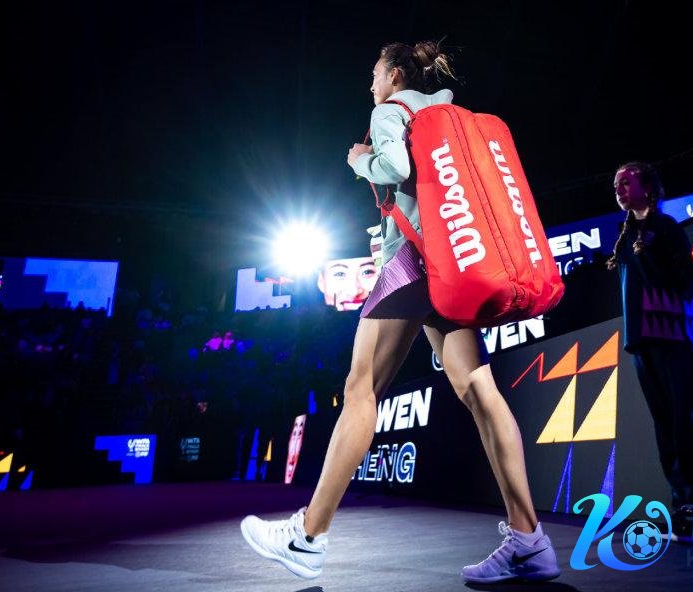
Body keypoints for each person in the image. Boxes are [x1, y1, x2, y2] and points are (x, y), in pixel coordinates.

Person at [240, 41, 561, 583]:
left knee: (361, 387)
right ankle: (530, 540)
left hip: (411, 262)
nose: (370, 84)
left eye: (374, 74)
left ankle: (307, 537)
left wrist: (358, 160)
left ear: (393, 75)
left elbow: (394, 165)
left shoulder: (389, 111)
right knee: (479, 388)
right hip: (450, 260)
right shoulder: (448, 112)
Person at [608, 162, 693, 540]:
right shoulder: (626, 235)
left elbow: (688, 279)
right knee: (666, 429)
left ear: (648, 187)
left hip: (672, 338)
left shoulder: (666, 228)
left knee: (684, 423)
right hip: (642, 342)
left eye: (626, 182)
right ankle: (683, 509)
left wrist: (684, 305)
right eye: (616, 185)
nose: (619, 189)